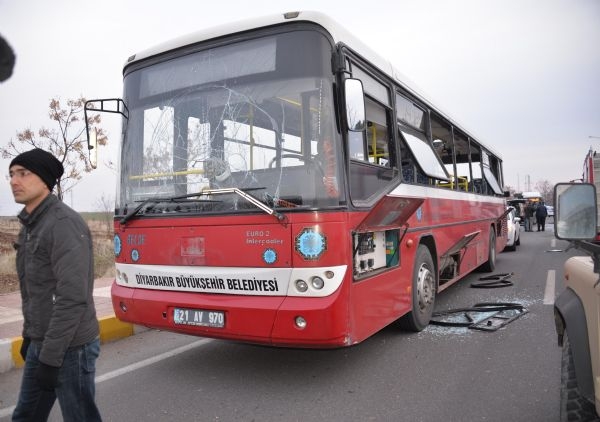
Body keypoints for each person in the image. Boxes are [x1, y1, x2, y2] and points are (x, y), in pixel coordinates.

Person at [9, 148, 102, 422]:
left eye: (23, 173)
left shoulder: (63, 224)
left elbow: (72, 297)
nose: (14, 181)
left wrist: (50, 356)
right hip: (43, 341)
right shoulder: (30, 225)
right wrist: (30, 335)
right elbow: (36, 290)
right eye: (11, 174)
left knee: (80, 417)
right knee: (26, 415)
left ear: (45, 180)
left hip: (71, 347)